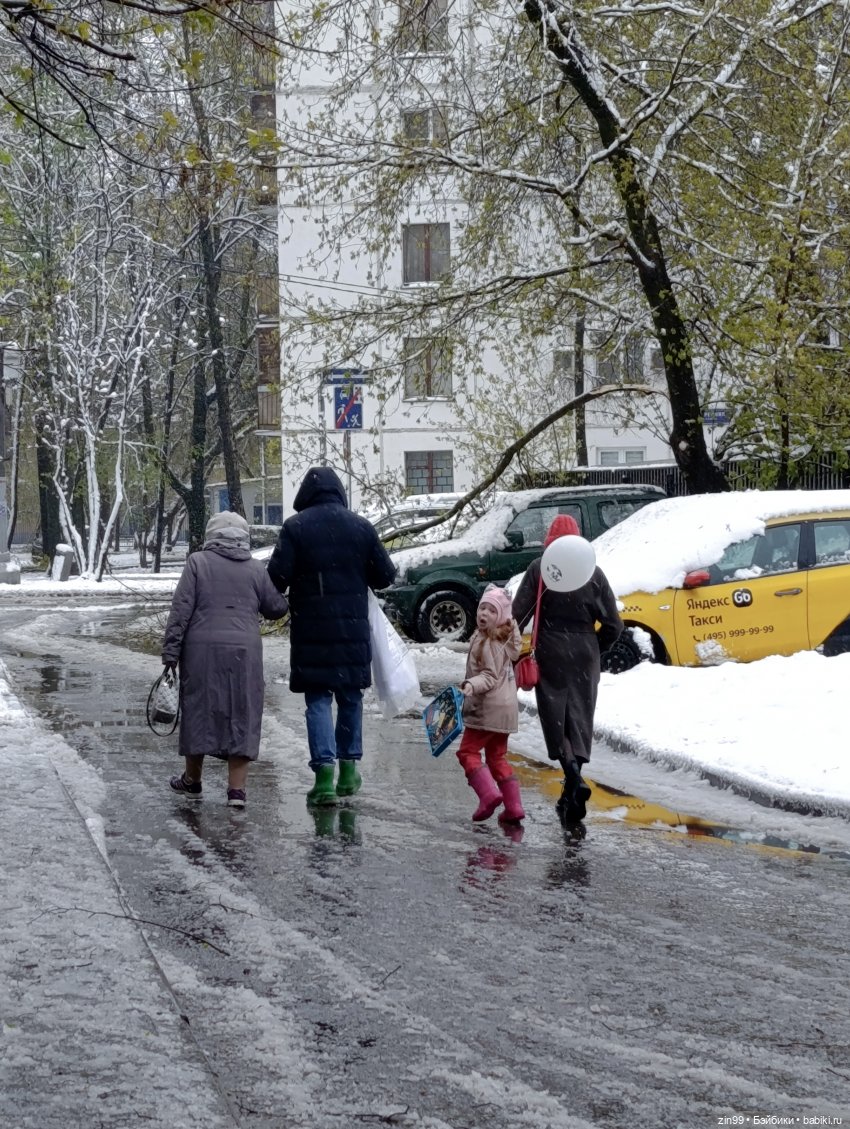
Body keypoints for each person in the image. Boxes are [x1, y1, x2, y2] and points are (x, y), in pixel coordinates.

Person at [267, 467, 396, 806]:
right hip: (352, 631)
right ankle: (349, 771)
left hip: (311, 632)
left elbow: (276, 579)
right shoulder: (361, 527)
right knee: (350, 697)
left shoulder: (295, 528)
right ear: (338, 491)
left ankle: (324, 778)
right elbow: (385, 576)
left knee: (318, 700)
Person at [162, 510, 289, 807]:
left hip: (201, 651)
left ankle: (192, 781)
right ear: (244, 538)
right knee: (242, 712)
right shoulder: (255, 569)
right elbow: (275, 608)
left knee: (198, 710)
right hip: (245, 652)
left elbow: (181, 610)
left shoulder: (197, 563)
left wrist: (170, 652)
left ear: (211, 536)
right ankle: (237, 791)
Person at [511, 514, 622, 823]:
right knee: (579, 719)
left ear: (549, 542)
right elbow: (614, 625)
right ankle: (570, 790)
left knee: (556, 718)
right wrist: (596, 649)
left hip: (551, 652)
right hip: (585, 652)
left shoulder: (540, 569)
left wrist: (503, 651)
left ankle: (572, 776)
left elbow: (517, 615)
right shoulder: (593, 573)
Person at [457, 585, 525, 823]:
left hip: (487, 708)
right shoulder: (504, 637)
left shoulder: (489, 642)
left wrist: (470, 685)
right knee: (497, 758)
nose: (484, 613)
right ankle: (514, 807)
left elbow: (489, 676)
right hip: (505, 710)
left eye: (492, 611)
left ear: (502, 617)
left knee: (467, 752)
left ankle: (488, 796)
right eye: (482, 608)